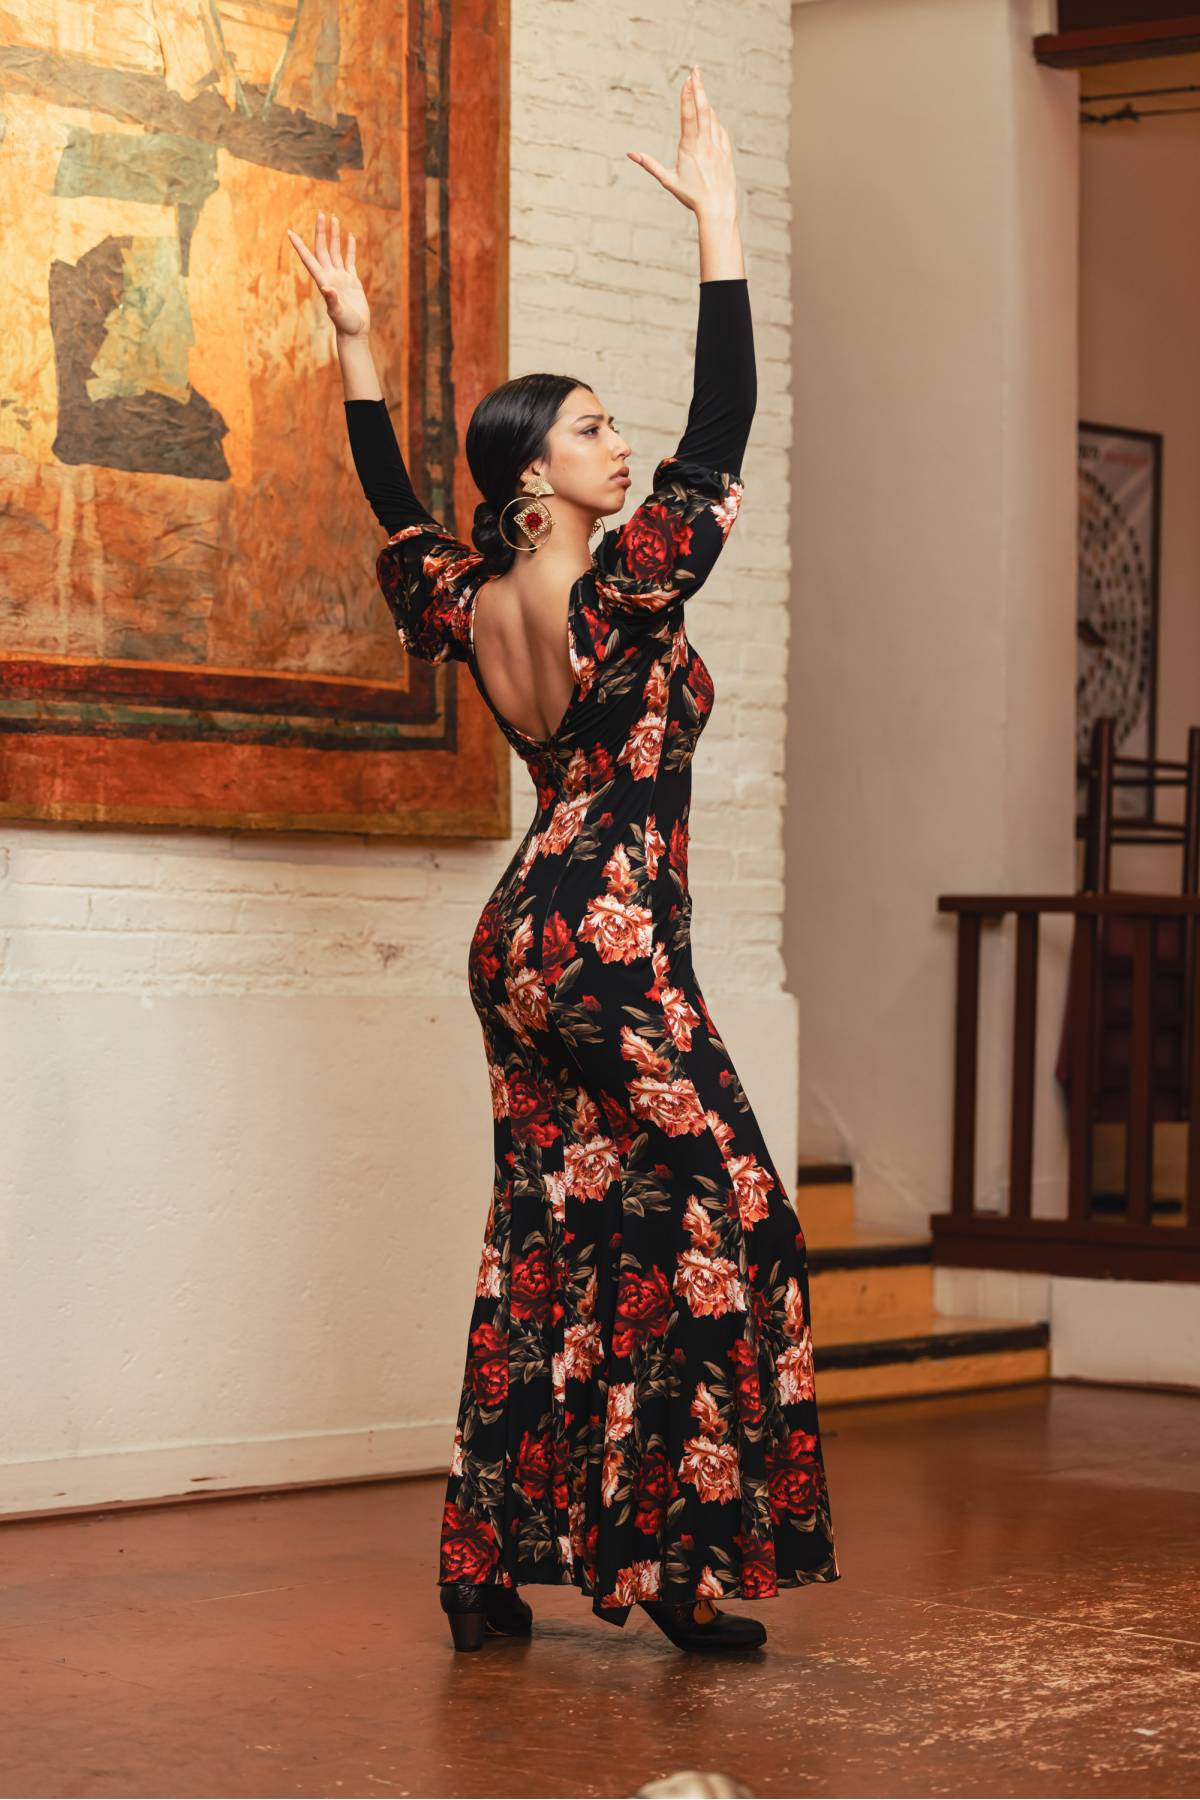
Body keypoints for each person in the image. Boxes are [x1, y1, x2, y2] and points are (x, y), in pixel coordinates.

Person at [287, 65, 839, 1655]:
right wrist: (721, 225)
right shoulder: (621, 595)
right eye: (594, 429)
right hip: (608, 940)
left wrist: (358, 347)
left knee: (555, 1227)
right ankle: (674, 1567)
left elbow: (394, 503)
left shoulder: (471, 602)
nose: (623, 444)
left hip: (519, 941)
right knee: (734, 1222)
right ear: (535, 475)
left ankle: (484, 1566)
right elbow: (723, 432)